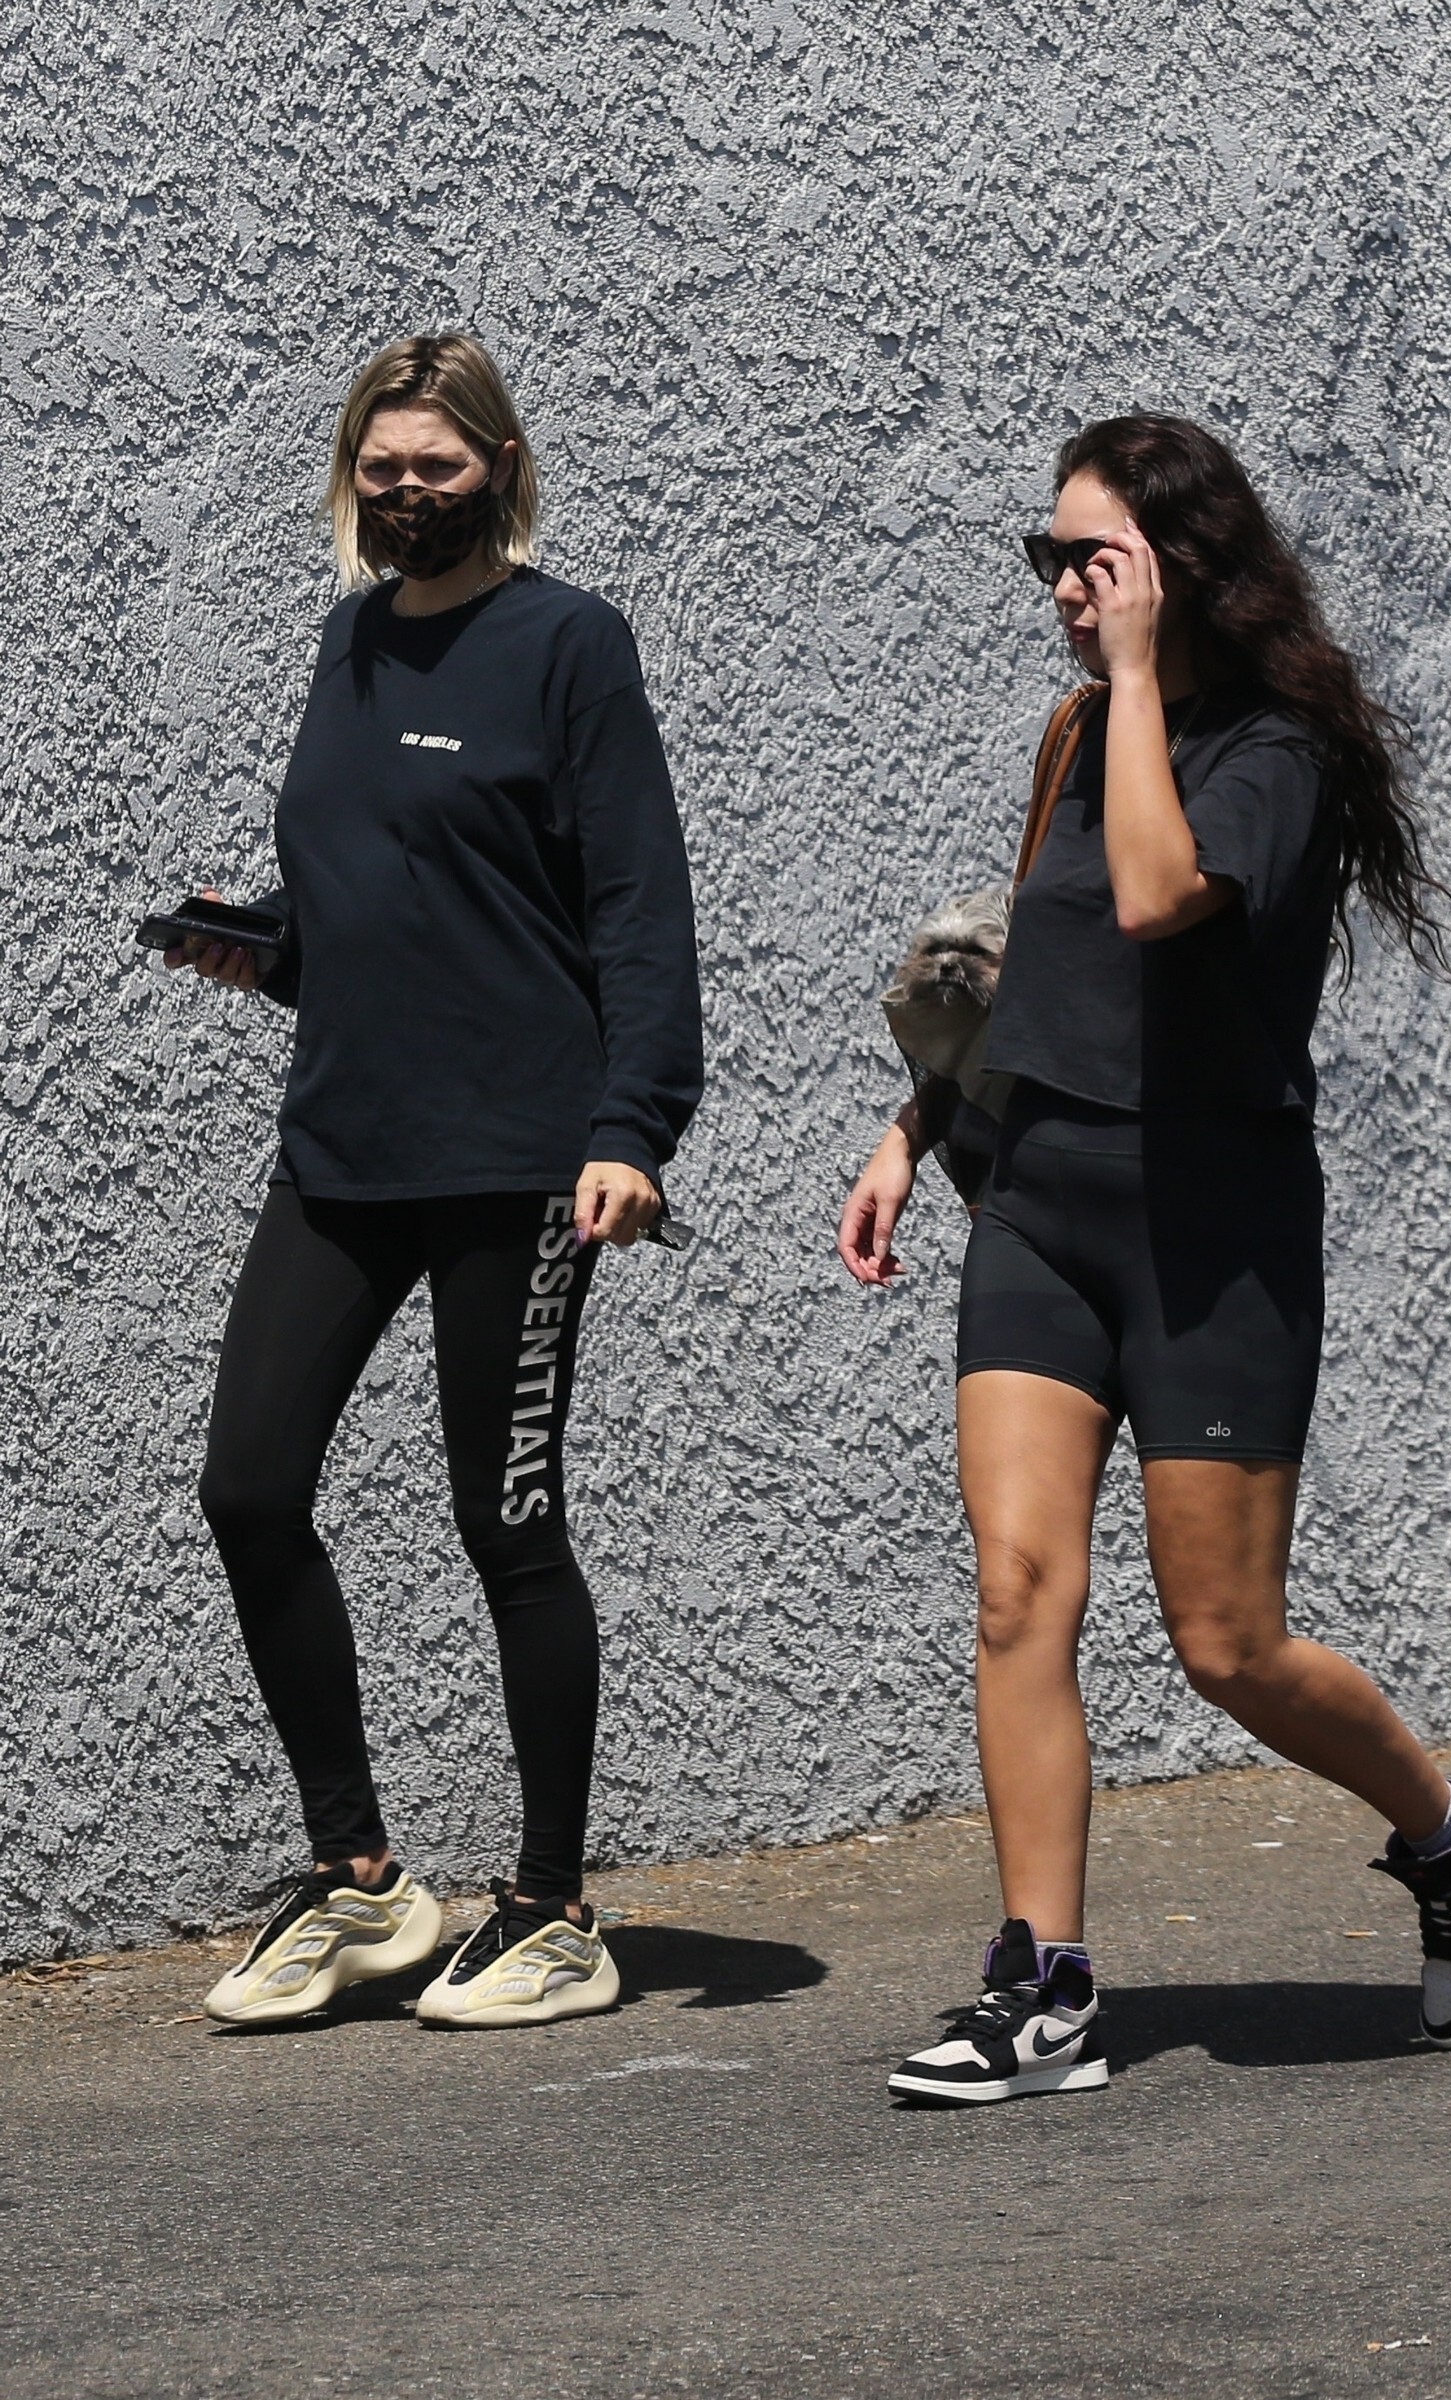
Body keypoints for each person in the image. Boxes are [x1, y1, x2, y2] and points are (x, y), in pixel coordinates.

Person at [838, 414, 1451, 2103]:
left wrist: (1142, 678)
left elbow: (1159, 897)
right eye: (1051, 558)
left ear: (1179, 567)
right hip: (1042, 1209)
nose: (1063, 592)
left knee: (1227, 1646)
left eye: (1093, 561)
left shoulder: (1276, 754)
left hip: (1211, 1235)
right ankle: (1043, 1986)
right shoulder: (1076, 730)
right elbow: (1042, 959)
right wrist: (917, 1126)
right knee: (1018, 1589)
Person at [166, 332, 702, 2028]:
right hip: (348, 1141)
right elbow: (384, 894)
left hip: (521, 1160)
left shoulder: (569, 645)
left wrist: (633, 1129)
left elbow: (636, 908)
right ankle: (363, 1881)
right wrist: (273, 946)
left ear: (502, 468)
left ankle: (552, 1911)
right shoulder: (349, 642)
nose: (408, 495)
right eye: (381, 469)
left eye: (438, 467)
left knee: (506, 1519)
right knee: (249, 1488)